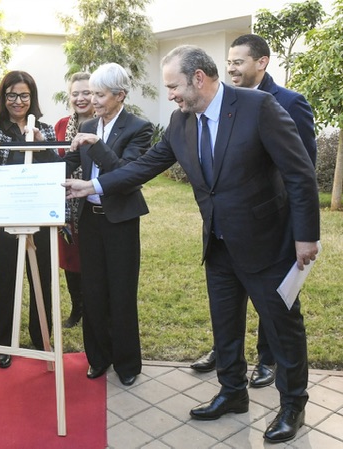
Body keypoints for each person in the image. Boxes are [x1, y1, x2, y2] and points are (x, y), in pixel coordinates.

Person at [63, 45, 319, 444]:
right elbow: (144, 167)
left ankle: (292, 406)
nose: (171, 96)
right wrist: (94, 185)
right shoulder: (182, 122)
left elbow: (300, 173)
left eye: (173, 86)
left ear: (199, 77)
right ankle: (233, 393)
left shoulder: (259, 107)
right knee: (226, 327)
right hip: (217, 245)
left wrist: (306, 236)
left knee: (283, 329)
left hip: (267, 244)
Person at [190, 34, 318, 389]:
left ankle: (268, 360)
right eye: (228, 61)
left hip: (272, 229)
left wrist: (298, 233)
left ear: (261, 62)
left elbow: (300, 169)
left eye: (238, 61)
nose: (231, 67)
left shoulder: (287, 102)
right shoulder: (210, 107)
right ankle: (229, 360)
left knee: (275, 312)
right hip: (226, 233)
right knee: (229, 306)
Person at [62, 63, 152, 386]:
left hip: (121, 222)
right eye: (91, 93)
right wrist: (31, 153)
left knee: (122, 292)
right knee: (94, 291)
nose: (93, 100)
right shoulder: (87, 125)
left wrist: (94, 145)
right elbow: (66, 162)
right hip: (89, 221)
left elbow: (125, 173)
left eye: (99, 94)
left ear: (120, 95)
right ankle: (97, 358)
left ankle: (127, 364)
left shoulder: (139, 128)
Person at [0, 70, 58, 369]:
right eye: (12, 95)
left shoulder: (45, 129)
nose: (18, 101)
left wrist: (43, 145)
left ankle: (42, 338)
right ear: (3, 98)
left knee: (43, 280)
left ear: (33, 98)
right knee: (7, 281)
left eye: (24, 95)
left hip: (41, 215)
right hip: (5, 217)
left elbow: (59, 168)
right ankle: (4, 344)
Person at [54, 72, 94, 328]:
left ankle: (93, 307)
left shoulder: (102, 123)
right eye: (75, 93)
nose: (80, 98)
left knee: (92, 255)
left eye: (86, 92)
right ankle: (77, 307)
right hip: (65, 202)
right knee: (70, 256)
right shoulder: (61, 125)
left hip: (92, 201)